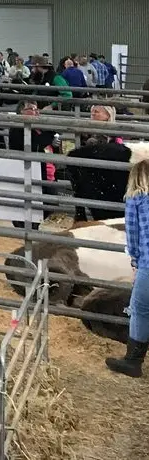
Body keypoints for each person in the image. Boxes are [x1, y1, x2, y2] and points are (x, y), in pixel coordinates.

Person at [107, 142, 149, 377]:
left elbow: (132, 234)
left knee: (140, 309)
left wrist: (134, 261)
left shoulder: (137, 197)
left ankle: (133, 361)